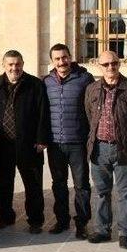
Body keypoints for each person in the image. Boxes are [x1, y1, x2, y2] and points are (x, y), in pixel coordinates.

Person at [85, 51, 127, 250]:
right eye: (106, 64)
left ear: (119, 64)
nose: (110, 67)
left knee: (126, 194)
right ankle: (102, 230)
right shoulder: (92, 89)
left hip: (125, 149)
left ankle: (125, 233)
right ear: (99, 65)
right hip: (99, 149)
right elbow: (89, 117)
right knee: (101, 192)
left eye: (114, 63)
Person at [0, 50, 50, 234]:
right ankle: (5, 216)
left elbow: (43, 113)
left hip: (28, 144)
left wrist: (42, 139)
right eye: (10, 64)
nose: (14, 68)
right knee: (3, 183)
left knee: (32, 184)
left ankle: (35, 220)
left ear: (23, 64)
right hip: (1, 145)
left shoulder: (35, 85)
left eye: (17, 64)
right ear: (4, 65)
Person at [43, 43, 94, 238]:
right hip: (55, 143)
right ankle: (61, 220)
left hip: (78, 142)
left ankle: (82, 223)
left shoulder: (84, 79)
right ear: (52, 61)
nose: (61, 62)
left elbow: (92, 108)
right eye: (57, 59)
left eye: (64, 57)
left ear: (70, 57)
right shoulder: (46, 81)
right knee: (59, 183)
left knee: (81, 185)